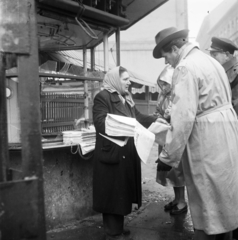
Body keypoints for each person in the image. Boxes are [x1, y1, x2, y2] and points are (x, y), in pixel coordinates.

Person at [153, 27, 238, 240]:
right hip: (225, 134)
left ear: (174, 49)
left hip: (206, 140)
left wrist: (167, 158)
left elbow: (184, 119)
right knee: (225, 200)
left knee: (205, 201)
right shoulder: (212, 62)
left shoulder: (185, 67)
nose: (166, 63)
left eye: (165, 57)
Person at [92, 66, 157, 240]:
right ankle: (112, 233)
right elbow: (100, 122)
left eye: (129, 79)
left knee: (122, 190)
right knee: (112, 193)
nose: (129, 82)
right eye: (125, 79)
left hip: (126, 151)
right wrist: (129, 126)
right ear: (115, 79)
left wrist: (158, 119)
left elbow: (138, 118)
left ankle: (118, 228)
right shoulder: (102, 97)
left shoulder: (126, 98)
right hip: (112, 152)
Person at [154, 65, 187, 215]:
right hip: (164, 137)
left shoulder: (180, 94)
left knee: (178, 169)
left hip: (176, 138)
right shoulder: (161, 95)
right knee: (168, 169)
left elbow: (185, 114)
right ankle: (176, 198)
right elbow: (157, 112)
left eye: (167, 82)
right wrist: (160, 118)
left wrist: (171, 114)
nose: (165, 86)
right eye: (163, 83)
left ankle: (182, 201)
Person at [207, 37, 238, 114]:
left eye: (215, 55)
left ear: (227, 55)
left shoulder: (235, 73)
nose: (211, 58)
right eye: (211, 55)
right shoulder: (221, 71)